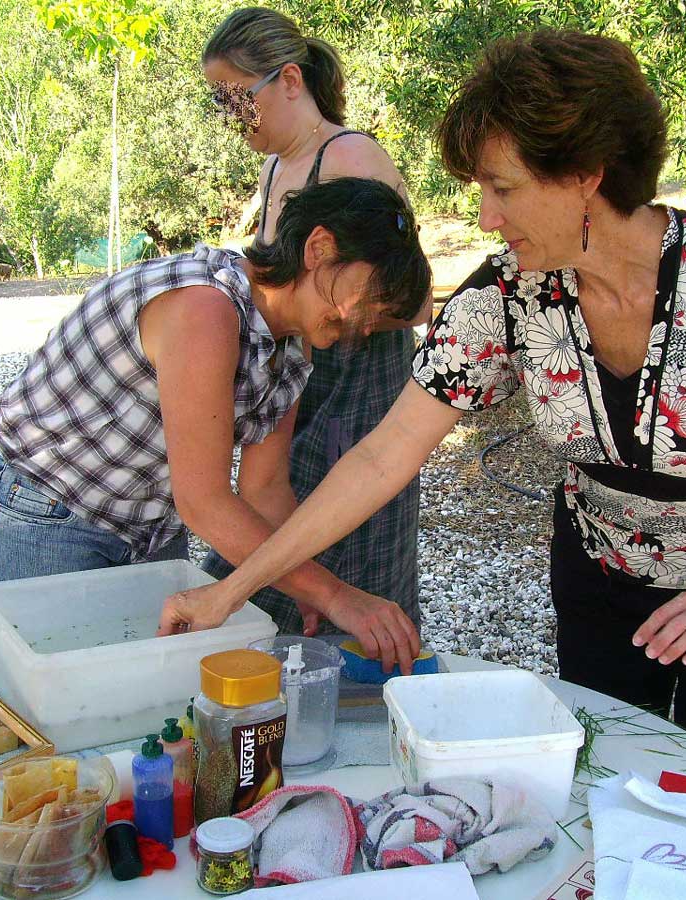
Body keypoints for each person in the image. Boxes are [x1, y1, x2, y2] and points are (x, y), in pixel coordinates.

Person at [158, 31, 686, 793]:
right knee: (606, 791)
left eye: (503, 187)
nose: (486, 217)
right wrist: (227, 590)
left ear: (585, 176)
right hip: (602, 581)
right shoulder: (507, 295)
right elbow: (381, 456)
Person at [0, 176, 428, 659]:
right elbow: (204, 501)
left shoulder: (292, 345)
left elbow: (264, 490)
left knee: (144, 691)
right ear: (318, 248)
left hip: (147, 523)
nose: (370, 321)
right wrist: (334, 594)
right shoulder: (206, 306)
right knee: (58, 696)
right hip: (47, 511)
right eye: (372, 295)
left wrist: (306, 585)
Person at [199, 6, 430, 640]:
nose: (233, 119)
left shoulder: (350, 154)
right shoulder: (277, 169)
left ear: (291, 81)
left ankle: (367, 696)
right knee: (269, 542)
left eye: (240, 99)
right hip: (296, 394)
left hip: (355, 399)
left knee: (352, 556)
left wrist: (340, 315)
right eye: (220, 104)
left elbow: (412, 300)